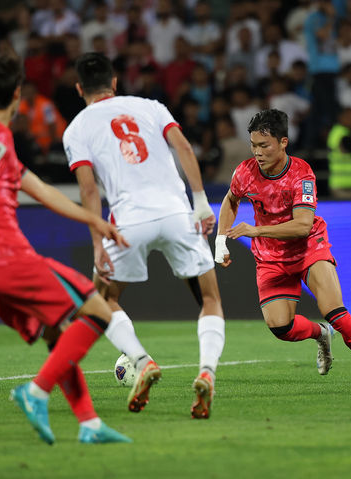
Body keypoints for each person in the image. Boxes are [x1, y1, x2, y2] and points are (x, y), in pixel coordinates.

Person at [0, 53, 134, 445]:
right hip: (2, 256)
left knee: (57, 333)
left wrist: (93, 220)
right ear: (16, 94)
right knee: (96, 309)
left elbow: (38, 188)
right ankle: (36, 390)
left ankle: (89, 423)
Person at [64, 53, 225, 419]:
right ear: (115, 82)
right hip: (176, 212)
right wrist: (200, 203)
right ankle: (206, 372)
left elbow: (89, 191)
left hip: (128, 221)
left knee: (100, 299)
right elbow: (183, 147)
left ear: (79, 89)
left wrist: (96, 245)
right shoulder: (151, 106)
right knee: (210, 297)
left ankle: (141, 360)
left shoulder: (76, 129)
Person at [215, 109, 351, 384]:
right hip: (271, 256)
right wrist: (220, 240)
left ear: (283, 142)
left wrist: (255, 230)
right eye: (253, 145)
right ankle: (321, 334)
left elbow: (303, 225)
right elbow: (231, 200)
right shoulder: (245, 172)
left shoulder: (301, 174)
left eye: (264, 145)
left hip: (309, 248)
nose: (257, 152)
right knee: (280, 327)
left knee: (336, 313)